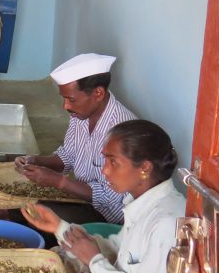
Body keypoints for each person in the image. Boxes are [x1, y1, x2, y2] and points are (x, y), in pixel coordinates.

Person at [22, 119, 184, 273]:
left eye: (113, 162)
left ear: (145, 168)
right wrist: (59, 226)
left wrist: (95, 260)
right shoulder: (143, 203)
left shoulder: (167, 223)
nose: (105, 170)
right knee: (53, 261)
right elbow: (120, 251)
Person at [14, 53, 137, 224]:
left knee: (34, 215)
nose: (66, 106)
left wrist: (58, 181)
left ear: (98, 93)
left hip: (108, 217)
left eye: (71, 99)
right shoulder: (80, 114)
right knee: (18, 204)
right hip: (82, 199)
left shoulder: (122, 130)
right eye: (64, 99)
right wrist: (35, 161)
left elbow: (109, 198)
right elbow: (68, 156)